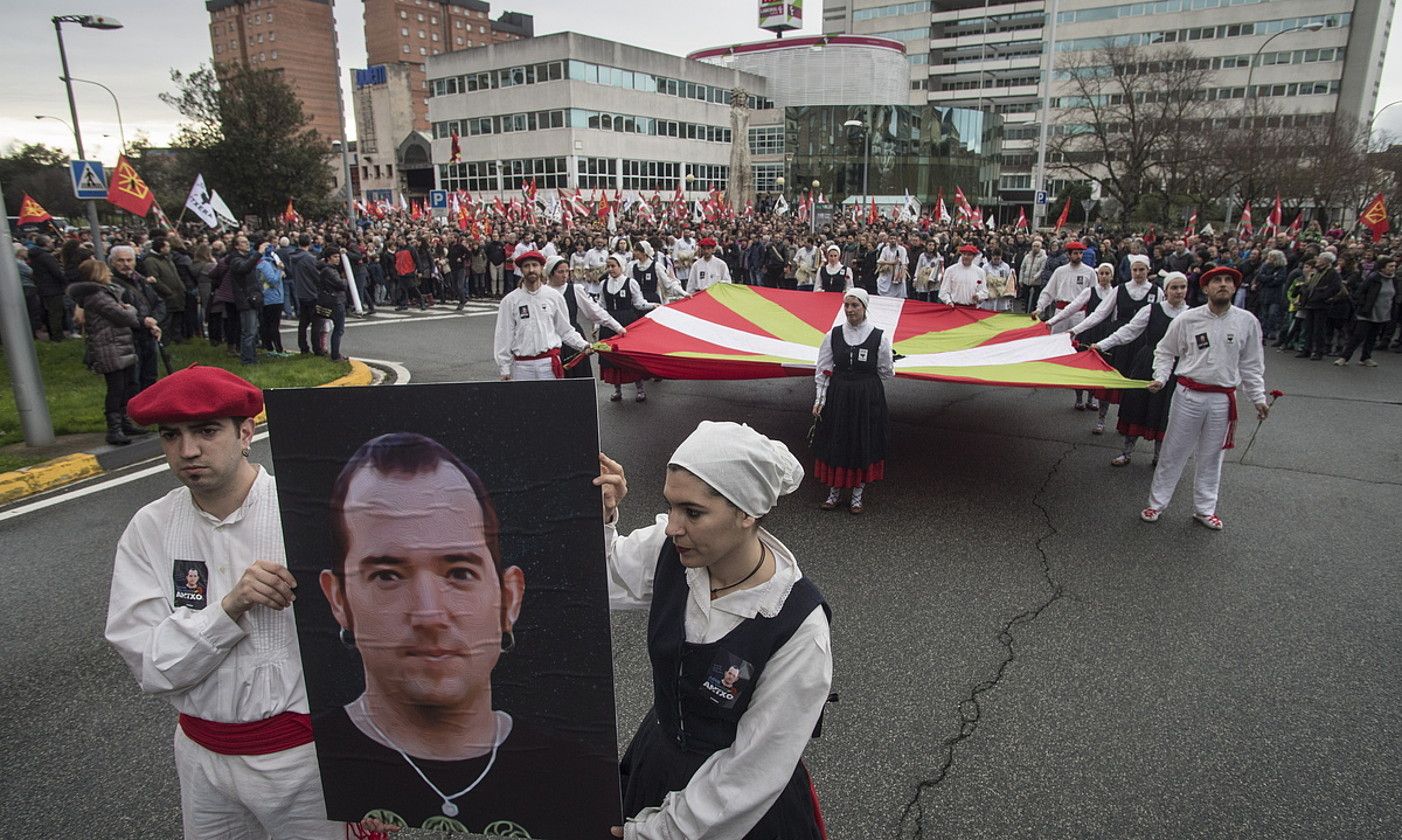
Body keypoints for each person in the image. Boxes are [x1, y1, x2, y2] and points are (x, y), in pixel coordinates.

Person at [313, 432, 614, 835]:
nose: (429, 614)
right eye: (387, 575)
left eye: (459, 572)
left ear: (509, 598)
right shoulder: (312, 769)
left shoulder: (583, 779)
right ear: (339, 600)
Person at [104, 366, 344, 839]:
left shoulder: (306, 514)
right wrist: (228, 608)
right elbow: (150, 664)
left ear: (246, 432)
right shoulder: (149, 528)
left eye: (207, 431)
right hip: (201, 759)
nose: (188, 450)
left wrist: (376, 774)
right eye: (171, 435)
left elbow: (371, 651)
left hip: (304, 762)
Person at [595, 421, 832, 840]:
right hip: (660, 754)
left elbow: (753, 768)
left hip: (734, 806)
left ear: (747, 512)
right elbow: (601, 580)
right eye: (670, 506)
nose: (672, 526)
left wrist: (657, 833)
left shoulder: (798, 626)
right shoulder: (670, 553)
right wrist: (602, 517)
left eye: (693, 512)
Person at [1140, 266, 1268, 530]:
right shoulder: (1187, 320)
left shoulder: (1247, 321)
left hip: (1222, 399)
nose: (1223, 285)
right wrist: (1161, 377)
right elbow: (1164, 351)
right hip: (1188, 395)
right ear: (1205, 288)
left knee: (1212, 456)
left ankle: (1204, 509)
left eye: (1228, 281)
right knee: (1173, 451)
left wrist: (1258, 397)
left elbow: (1252, 364)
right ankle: (1157, 503)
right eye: (1216, 281)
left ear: (1234, 288)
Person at [1090, 272, 1190, 466]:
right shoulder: (1152, 310)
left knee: (1165, 410)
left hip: (1177, 368)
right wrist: (1103, 345)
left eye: (1182, 287)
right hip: (1147, 362)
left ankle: (1159, 457)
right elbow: (1128, 331)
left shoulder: (1192, 315)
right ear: (1166, 290)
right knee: (1136, 405)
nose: (1179, 291)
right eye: (1174, 287)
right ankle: (1126, 453)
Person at [812, 288, 894, 513]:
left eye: (854, 305)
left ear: (864, 307)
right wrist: (820, 398)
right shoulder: (833, 335)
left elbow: (886, 370)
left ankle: (857, 495)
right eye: (846, 305)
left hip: (866, 396)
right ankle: (834, 493)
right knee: (837, 439)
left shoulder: (880, 337)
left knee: (861, 440)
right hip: (839, 394)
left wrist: (863, 379)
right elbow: (823, 369)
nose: (850, 310)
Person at [66, 259, 157, 445]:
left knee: (126, 385)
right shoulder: (98, 297)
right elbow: (124, 316)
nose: (109, 273)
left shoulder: (103, 294)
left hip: (119, 345)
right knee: (116, 389)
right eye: (105, 270)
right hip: (109, 347)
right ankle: (114, 428)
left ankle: (124, 422)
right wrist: (130, 309)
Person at [492, 250, 592, 381]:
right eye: (526, 266)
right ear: (521, 270)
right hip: (522, 367)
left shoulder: (554, 297)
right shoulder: (510, 301)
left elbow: (565, 330)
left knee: (552, 401)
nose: (531, 269)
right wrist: (504, 368)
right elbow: (504, 335)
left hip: (548, 364)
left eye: (535, 265)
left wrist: (583, 345)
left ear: (541, 268)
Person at [543, 254, 626, 380]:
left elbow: (595, 311)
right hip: (550, 339)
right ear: (550, 273)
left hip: (573, 339)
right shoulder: (543, 292)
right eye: (560, 272)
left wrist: (617, 327)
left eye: (567, 271)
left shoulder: (575, 289)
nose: (565, 275)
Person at [599, 254, 661, 402]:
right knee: (612, 356)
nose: (610, 269)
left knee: (629, 356)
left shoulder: (630, 282)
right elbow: (601, 306)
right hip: (609, 322)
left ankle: (639, 389)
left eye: (613, 266)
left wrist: (653, 305)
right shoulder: (603, 284)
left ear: (621, 266)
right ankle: (617, 390)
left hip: (627, 320)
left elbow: (639, 303)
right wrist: (597, 324)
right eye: (608, 266)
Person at [1334, 255, 1396, 368]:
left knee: (1373, 336)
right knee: (1358, 335)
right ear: (1382, 267)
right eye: (1390, 266)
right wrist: (1362, 305)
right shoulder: (1374, 278)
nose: (1393, 268)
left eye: (1394, 266)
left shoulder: (1394, 279)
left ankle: (1366, 358)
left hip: (1383, 313)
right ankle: (1344, 357)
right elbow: (1360, 292)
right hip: (1368, 312)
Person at [1034, 241, 1096, 329]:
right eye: (1075, 253)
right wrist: (1040, 307)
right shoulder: (1060, 271)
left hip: (1078, 314)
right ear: (1068, 255)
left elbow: (1093, 294)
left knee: (1076, 339)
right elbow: (1049, 291)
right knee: (1057, 339)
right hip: (1061, 311)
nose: (1078, 256)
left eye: (1081, 253)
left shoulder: (1090, 272)